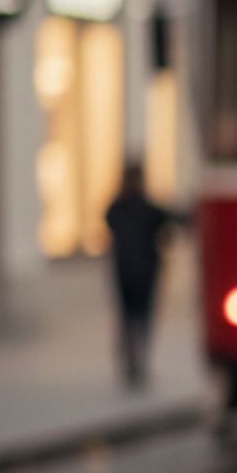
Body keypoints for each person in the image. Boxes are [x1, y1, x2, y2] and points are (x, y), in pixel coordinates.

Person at [103, 163, 182, 390]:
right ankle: (137, 360)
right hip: (145, 273)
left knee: (128, 318)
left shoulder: (117, 208)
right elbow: (173, 220)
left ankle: (131, 360)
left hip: (124, 272)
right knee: (141, 318)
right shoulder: (146, 208)